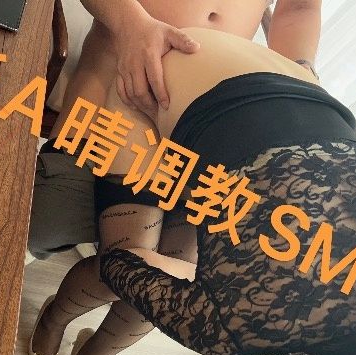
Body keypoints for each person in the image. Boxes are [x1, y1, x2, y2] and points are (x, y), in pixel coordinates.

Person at [34, 26, 356, 355]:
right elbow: (120, 265)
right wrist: (211, 285)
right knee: (136, 274)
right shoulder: (242, 322)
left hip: (286, 100)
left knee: (172, 296)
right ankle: (53, 319)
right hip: (161, 81)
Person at [28, 0, 322, 260]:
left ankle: (71, 306)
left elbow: (301, 7)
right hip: (109, 101)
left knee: (171, 273)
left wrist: (299, 69)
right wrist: (132, 26)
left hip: (199, 129)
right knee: (48, 217)